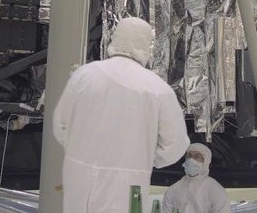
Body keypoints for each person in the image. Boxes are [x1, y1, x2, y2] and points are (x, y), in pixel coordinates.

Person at [53, 17, 190, 213]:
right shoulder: (158, 90)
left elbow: (61, 125)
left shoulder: (84, 76)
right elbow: (175, 145)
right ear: (146, 45)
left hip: (79, 179)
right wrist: (145, 157)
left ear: (115, 38)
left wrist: (80, 150)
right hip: (126, 188)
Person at [162, 142, 230, 213]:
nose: (191, 160)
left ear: (206, 161)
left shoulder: (217, 191)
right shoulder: (173, 190)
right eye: (189, 156)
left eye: (197, 157)